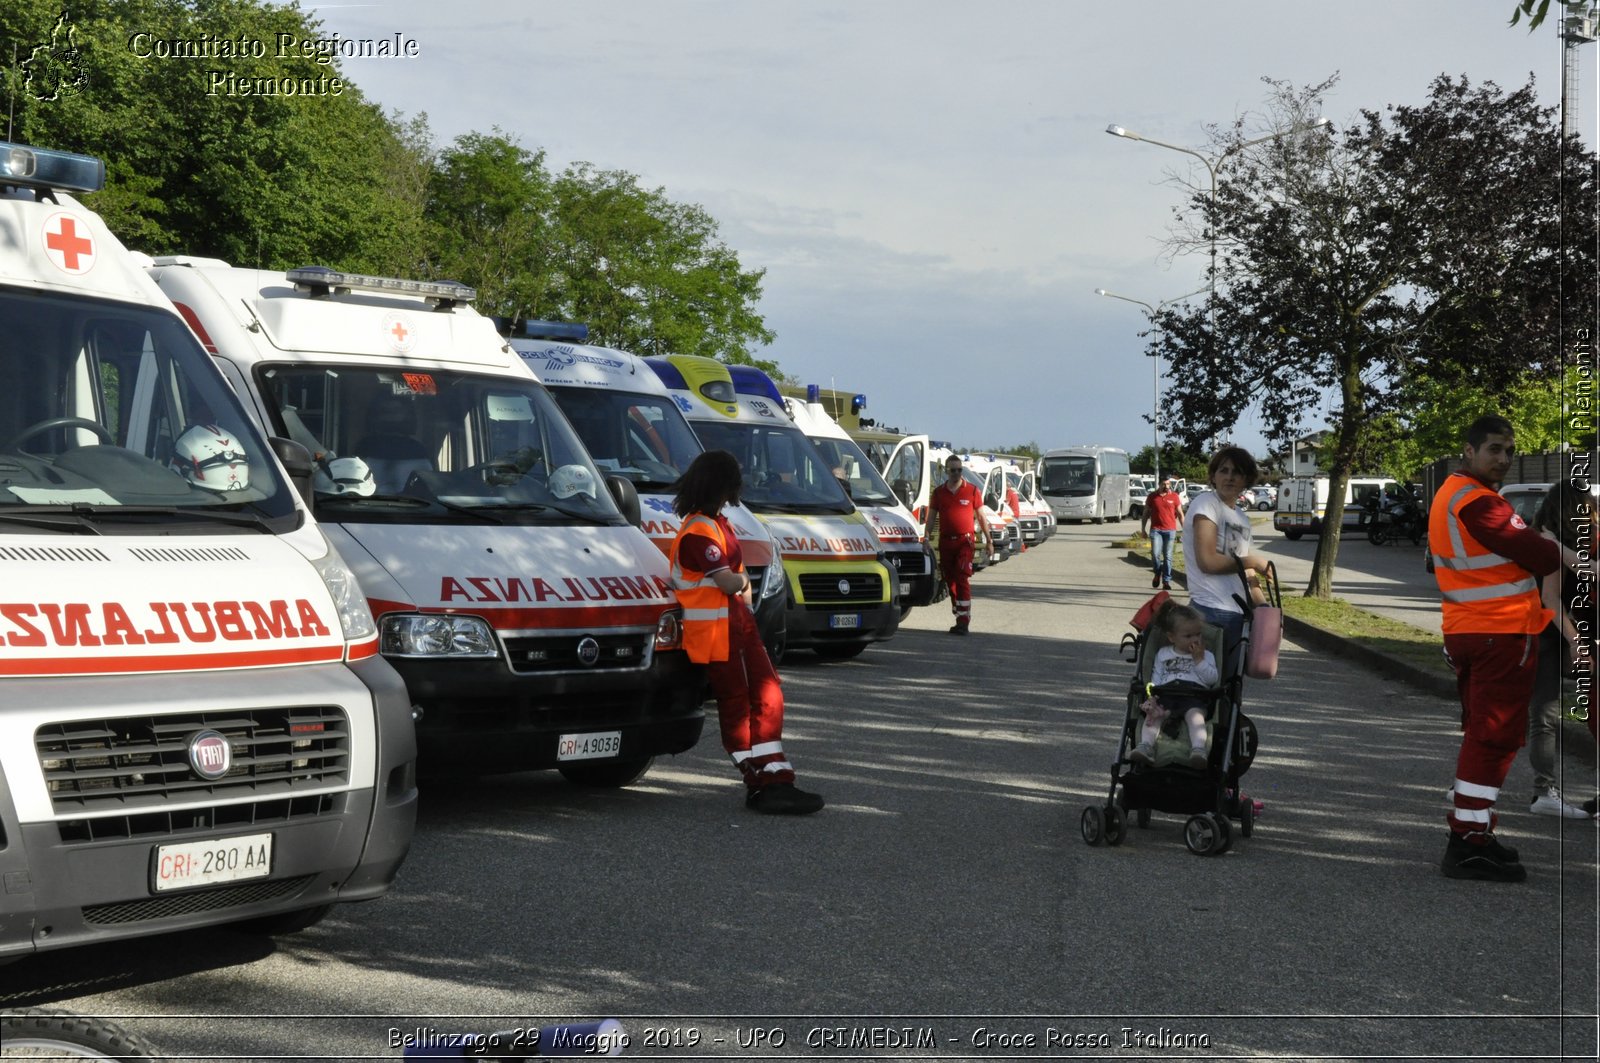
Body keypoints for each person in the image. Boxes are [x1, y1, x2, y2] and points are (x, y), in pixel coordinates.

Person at [1429, 415, 1579, 881]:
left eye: (1509, 451)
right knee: (1492, 738)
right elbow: (1533, 554)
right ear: (1469, 451)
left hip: (1474, 629)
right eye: (1495, 449)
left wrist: (1545, 543)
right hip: (1498, 634)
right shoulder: (1476, 501)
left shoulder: (1457, 493)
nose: (1504, 459)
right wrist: (1558, 549)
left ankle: (1475, 830)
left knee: (1484, 735)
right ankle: (1468, 843)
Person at [670, 450, 824, 815]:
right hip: (720, 633)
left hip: (736, 626)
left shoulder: (716, 523)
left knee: (766, 696)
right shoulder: (698, 531)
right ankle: (762, 780)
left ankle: (771, 778)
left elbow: (735, 576)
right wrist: (740, 582)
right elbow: (728, 580)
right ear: (721, 485)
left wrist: (742, 591)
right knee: (742, 705)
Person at [1525, 483, 1594, 818]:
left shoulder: (1550, 540)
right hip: (1549, 634)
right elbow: (1550, 598)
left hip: (1547, 633)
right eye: (1590, 506)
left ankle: (1542, 789)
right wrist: (1576, 640)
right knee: (1544, 714)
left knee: (1541, 715)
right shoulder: (1549, 543)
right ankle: (1543, 792)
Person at [1180, 447, 1271, 666]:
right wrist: (1254, 561)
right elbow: (1207, 562)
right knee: (1208, 686)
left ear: (1246, 479)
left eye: (1237, 472)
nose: (1229, 477)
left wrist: (1263, 607)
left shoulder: (1241, 517)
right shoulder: (1206, 504)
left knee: (1231, 689)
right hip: (1210, 611)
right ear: (1213, 476)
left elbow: (1246, 570)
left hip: (1237, 613)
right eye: (1224, 470)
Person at [1130, 600, 1218, 770]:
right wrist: (1152, 697)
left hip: (1194, 695)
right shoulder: (1163, 653)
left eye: (1198, 634)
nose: (1195, 639)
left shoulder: (1206, 655)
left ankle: (1198, 750)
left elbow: (1212, 679)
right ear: (1172, 637)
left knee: (1196, 718)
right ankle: (1146, 746)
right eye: (1188, 636)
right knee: (1153, 717)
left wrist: (1199, 660)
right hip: (1166, 693)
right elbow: (1156, 677)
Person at [927, 454, 992, 635]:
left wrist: (989, 540)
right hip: (946, 542)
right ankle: (959, 613)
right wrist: (925, 537)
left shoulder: (972, 491)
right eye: (953, 470)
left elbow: (981, 516)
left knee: (962, 577)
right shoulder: (939, 493)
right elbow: (931, 517)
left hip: (965, 541)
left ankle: (964, 620)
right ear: (947, 471)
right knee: (950, 579)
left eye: (959, 470)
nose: (956, 473)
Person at [1140, 476, 1185, 590]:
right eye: (1164, 484)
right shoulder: (1152, 497)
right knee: (1155, 554)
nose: (1166, 487)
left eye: (1168, 484)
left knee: (1168, 556)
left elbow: (1180, 514)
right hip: (1156, 530)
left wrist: (1185, 530)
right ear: (1159, 484)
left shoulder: (1174, 497)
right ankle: (1157, 572)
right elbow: (1145, 514)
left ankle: (1166, 581)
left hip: (1170, 530)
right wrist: (1143, 529)